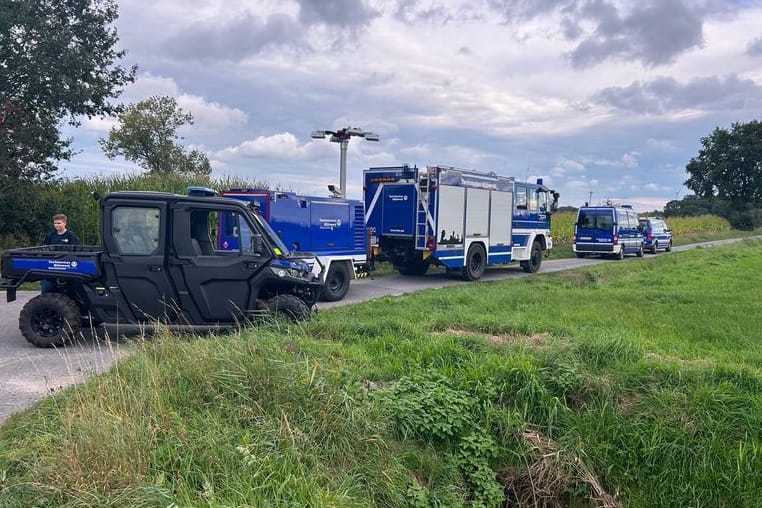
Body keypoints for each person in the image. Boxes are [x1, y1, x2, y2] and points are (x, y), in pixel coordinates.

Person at [41, 214, 79, 292]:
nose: (56, 225)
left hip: (65, 265)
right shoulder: (51, 235)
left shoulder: (71, 236)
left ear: (64, 223)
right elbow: (45, 247)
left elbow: (76, 250)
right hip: (51, 265)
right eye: (55, 223)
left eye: (59, 223)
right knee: (46, 287)